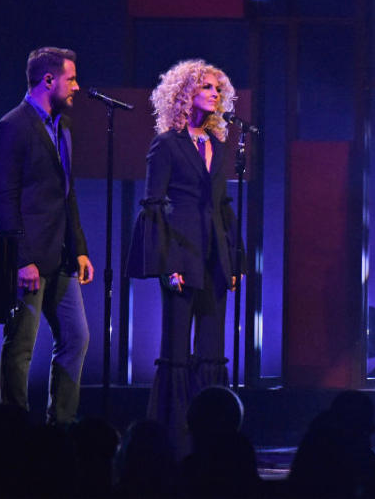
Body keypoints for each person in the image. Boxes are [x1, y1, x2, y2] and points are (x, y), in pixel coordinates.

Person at [126, 59, 240, 456]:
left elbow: (224, 206)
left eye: (218, 89)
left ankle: (210, 440)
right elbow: (155, 205)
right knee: (176, 350)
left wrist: (233, 262)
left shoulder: (219, 146)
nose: (215, 94)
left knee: (211, 349)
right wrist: (167, 264)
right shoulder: (167, 144)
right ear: (185, 93)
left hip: (215, 258)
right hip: (180, 255)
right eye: (207, 87)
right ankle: (172, 439)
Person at [0, 46, 94, 425]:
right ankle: (12, 428)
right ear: (49, 80)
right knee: (21, 345)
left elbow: (69, 193)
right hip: (30, 258)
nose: (78, 87)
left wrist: (80, 248)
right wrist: (22, 258)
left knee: (76, 337)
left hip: (62, 256)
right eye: (72, 78)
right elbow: (3, 198)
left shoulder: (62, 127)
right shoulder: (12, 126)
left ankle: (60, 425)